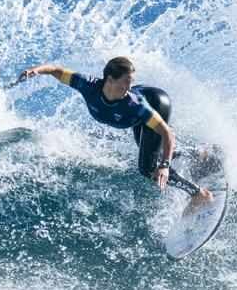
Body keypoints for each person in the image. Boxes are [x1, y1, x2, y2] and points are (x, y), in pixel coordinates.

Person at [13, 56, 212, 202]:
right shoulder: (87, 85)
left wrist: (165, 166)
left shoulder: (135, 105)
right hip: (141, 111)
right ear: (109, 79)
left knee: (148, 167)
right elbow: (56, 70)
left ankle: (199, 194)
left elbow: (167, 133)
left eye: (131, 81)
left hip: (157, 102)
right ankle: (199, 153)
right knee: (151, 151)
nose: (128, 86)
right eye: (126, 81)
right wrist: (36, 70)